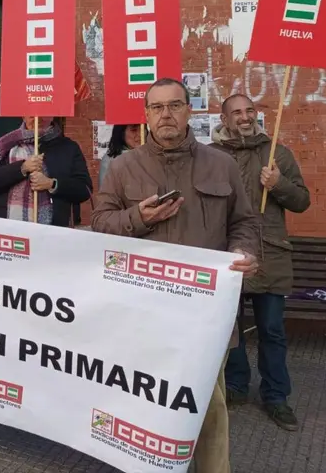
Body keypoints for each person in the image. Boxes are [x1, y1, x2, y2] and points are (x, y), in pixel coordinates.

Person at [92, 78, 261, 473]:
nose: (165, 114)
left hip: (205, 314)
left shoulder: (222, 164)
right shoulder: (122, 167)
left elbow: (246, 223)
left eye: (174, 105)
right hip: (141, 313)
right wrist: (138, 218)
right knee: (141, 405)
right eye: (156, 107)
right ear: (145, 115)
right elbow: (99, 224)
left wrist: (245, 252)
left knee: (208, 409)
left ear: (190, 110)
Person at [211, 94, 310, 431]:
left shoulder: (277, 153)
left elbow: (302, 201)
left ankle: (276, 396)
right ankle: (237, 385)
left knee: (271, 330)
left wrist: (278, 184)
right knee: (231, 330)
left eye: (249, 110)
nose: (244, 117)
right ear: (224, 119)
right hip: (230, 253)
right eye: (236, 112)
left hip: (270, 254)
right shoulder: (213, 156)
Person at [0, 116, 92, 227]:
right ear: (23, 116)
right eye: (31, 115)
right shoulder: (6, 144)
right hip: (11, 230)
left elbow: (85, 190)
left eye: (44, 114)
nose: (38, 118)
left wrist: (52, 184)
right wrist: (22, 168)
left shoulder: (68, 148)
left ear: (52, 116)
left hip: (56, 232)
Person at [98, 123, 142, 187]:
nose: (140, 134)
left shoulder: (149, 155)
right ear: (121, 133)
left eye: (142, 129)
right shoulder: (110, 160)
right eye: (134, 130)